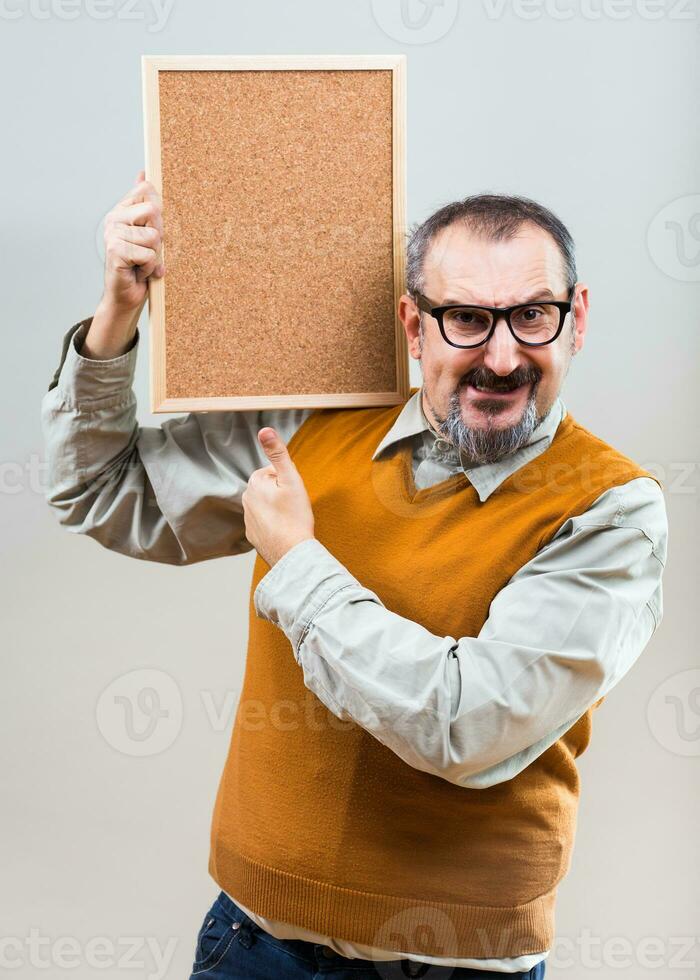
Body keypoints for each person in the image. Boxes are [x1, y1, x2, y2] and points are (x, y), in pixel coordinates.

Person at [41, 173, 667, 980]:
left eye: (532, 316)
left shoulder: (612, 512)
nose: (502, 356)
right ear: (414, 324)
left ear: (575, 319)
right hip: (252, 943)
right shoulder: (316, 423)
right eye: (467, 319)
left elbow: (465, 726)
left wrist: (298, 562)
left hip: (457, 968)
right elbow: (99, 489)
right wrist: (116, 318)